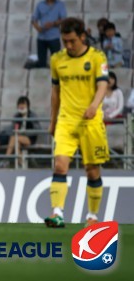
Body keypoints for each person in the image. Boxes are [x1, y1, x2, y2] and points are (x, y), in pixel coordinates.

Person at [46, 17, 109, 228]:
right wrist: (53, 121)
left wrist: (94, 105)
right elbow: (55, 92)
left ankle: (92, 215)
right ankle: (57, 214)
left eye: (72, 40)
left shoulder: (97, 58)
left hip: (90, 122)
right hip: (66, 121)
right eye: (65, 41)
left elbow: (102, 86)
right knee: (60, 165)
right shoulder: (57, 60)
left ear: (82, 36)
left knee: (91, 170)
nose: (69, 45)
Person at [0, 96, 41, 168]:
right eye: (20, 104)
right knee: (16, 143)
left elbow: (37, 129)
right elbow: (12, 128)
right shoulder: (16, 116)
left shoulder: (32, 116)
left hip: (30, 138)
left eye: (23, 104)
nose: (21, 106)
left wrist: (25, 132)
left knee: (14, 138)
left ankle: (6, 159)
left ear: (28, 105)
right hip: (18, 138)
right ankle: (21, 164)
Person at [32, 0, 67, 68]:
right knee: (41, 62)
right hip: (41, 38)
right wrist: (38, 27)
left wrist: (53, 23)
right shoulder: (40, 4)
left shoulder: (60, 5)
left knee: (56, 62)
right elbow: (34, 19)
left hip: (54, 37)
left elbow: (63, 19)